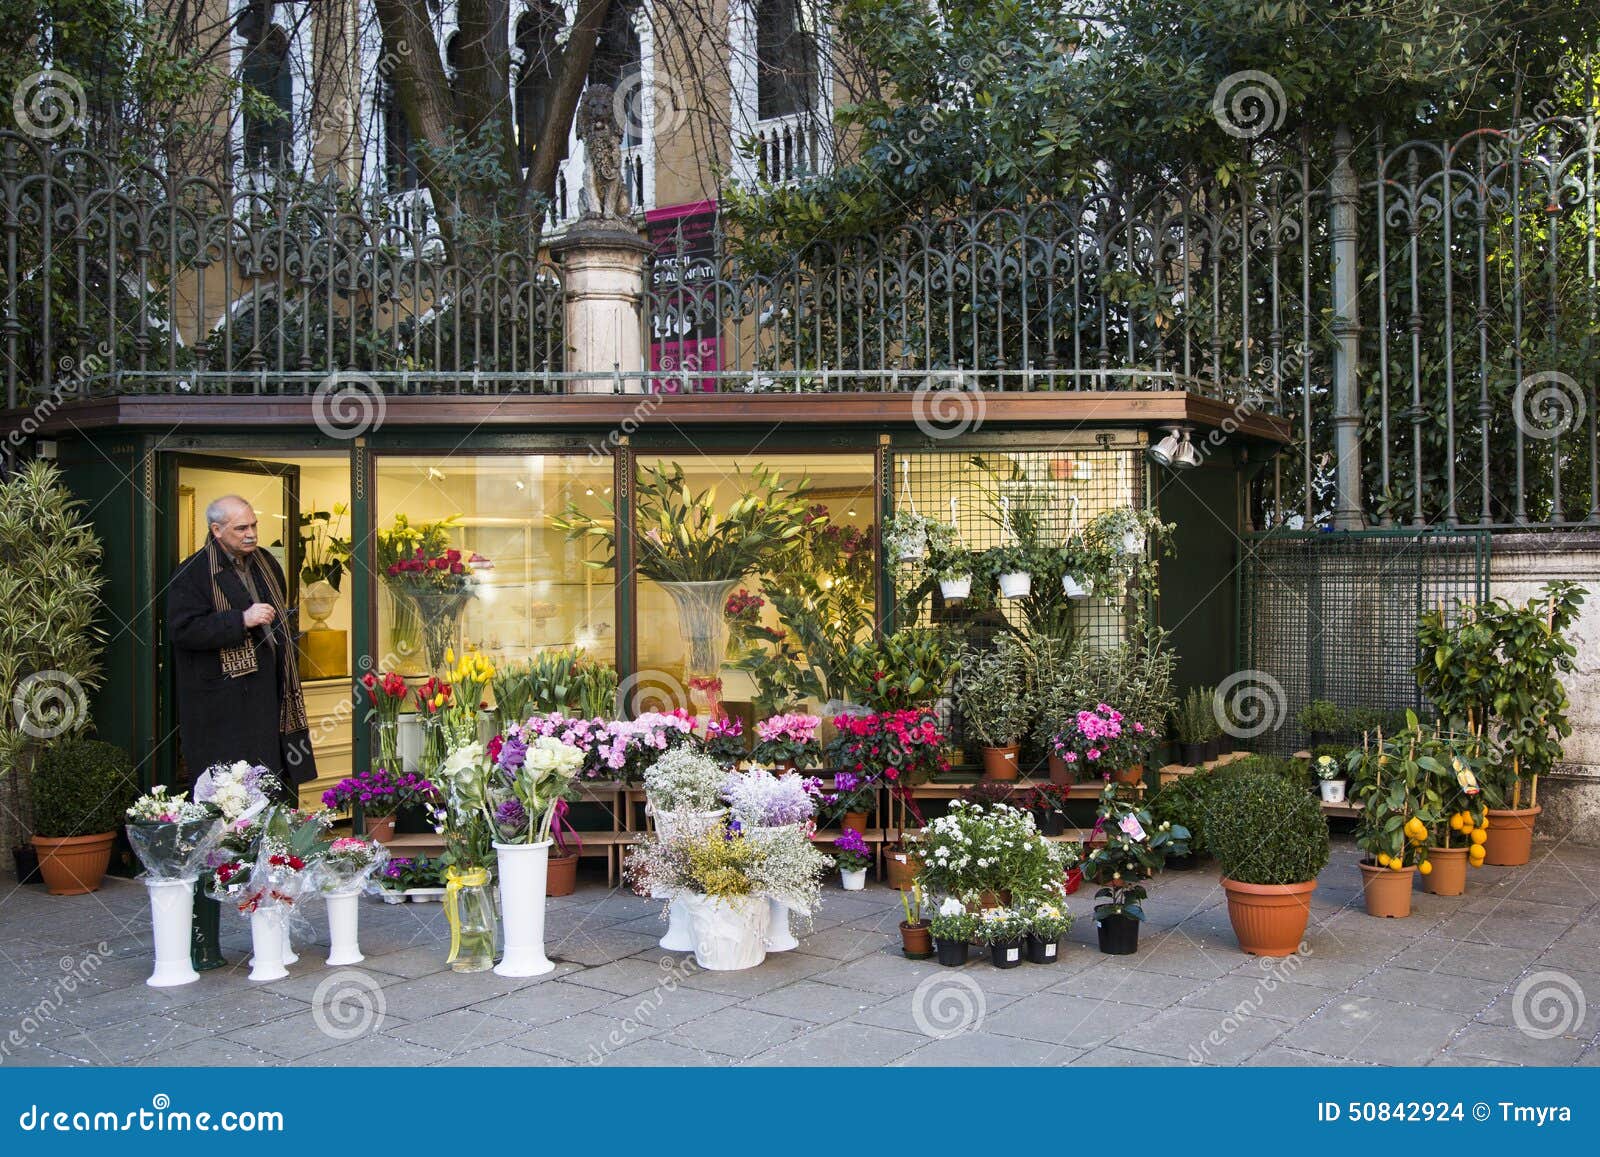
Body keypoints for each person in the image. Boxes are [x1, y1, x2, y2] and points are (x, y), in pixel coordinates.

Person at [168, 495, 316, 803]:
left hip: (272, 691)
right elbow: (183, 630)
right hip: (224, 704)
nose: (250, 533)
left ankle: (277, 849)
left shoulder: (266, 562)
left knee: (274, 779)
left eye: (253, 525)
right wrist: (240, 620)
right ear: (217, 530)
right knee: (232, 791)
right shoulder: (193, 572)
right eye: (241, 528)